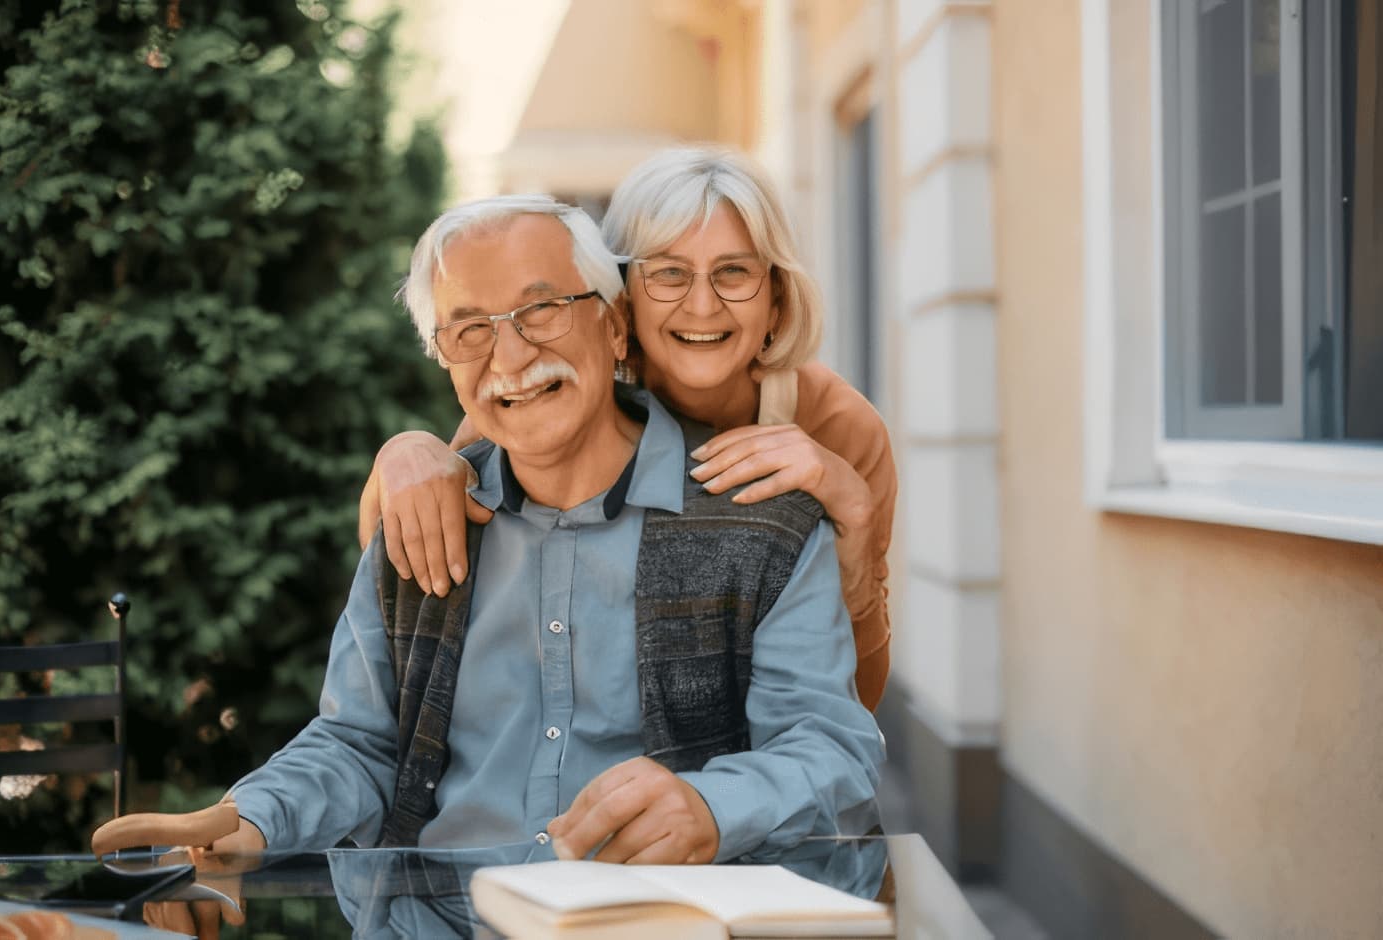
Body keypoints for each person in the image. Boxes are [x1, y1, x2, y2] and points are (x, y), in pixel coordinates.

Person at [94, 195, 884, 901]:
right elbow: (360, 742)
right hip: (432, 925)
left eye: (541, 311)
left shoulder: (759, 522)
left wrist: (713, 805)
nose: (508, 357)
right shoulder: (421, 519)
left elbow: (830, 746)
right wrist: (253, 819)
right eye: (469, 329)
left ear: (613, 326)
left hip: (656, 923)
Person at [359, 147, 896, 710]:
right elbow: (397, 555)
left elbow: (853, 709)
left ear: (778, 299)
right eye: (668, 273)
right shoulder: (556, 392)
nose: (703, 306)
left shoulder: (840, 428)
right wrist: (406, 450)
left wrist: (858, 532)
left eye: (733, 272)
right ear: (620, 298)